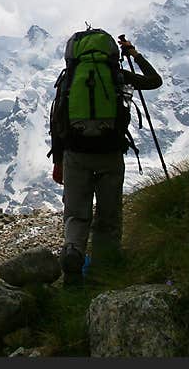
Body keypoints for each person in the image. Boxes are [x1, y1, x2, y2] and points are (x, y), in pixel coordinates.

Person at [49, 32, 163, 286]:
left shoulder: (69, 79)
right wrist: (134, 54)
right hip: (110, 153)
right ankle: (104, 271)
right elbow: (155, 81)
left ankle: (72, 258)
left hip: (75, 154)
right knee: (108, 215)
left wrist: (58, 161)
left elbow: (57, 121)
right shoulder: (116, 75)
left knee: (77, 214)